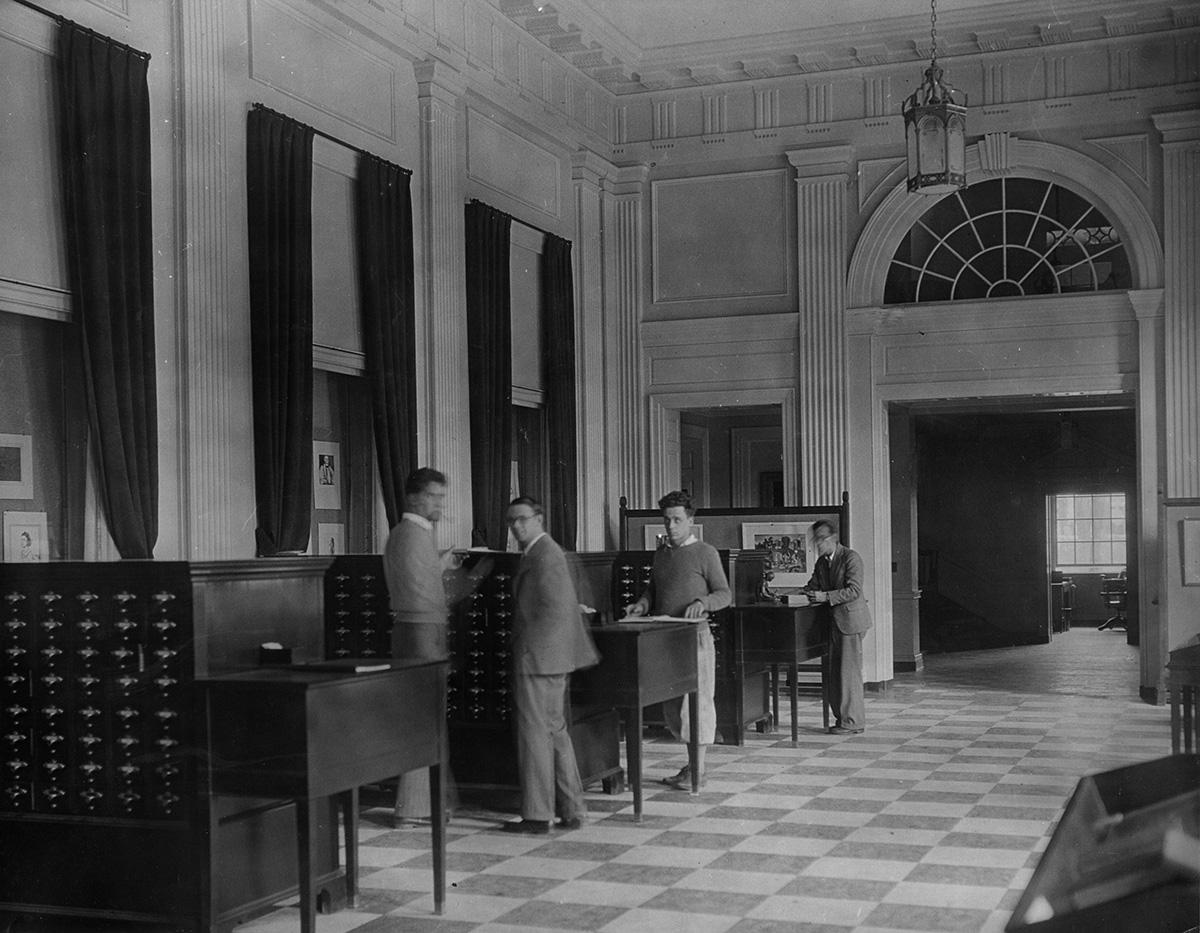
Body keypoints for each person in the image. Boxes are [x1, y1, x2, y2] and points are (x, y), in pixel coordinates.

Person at [502, 496, 599, 834]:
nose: (516, 526)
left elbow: (554, 612)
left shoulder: (545, 554)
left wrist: (529, 654)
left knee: (534, 736)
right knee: (555, 733)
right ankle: (572, 809)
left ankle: (538, 815)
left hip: (538, 660)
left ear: (539, 518)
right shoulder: (544, 552)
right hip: (551, 659)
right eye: (512, 521)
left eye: (523, 519)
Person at [624, 490, 730, 790]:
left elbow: (725, 594)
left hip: (694, 640)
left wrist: (703, 602)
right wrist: (641, 606)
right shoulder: (662, 554)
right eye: (667, 520)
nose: (671, 526)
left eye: (677, 520)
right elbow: (652, 591)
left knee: (696, 707)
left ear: (691, 520)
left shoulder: (705, 553)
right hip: (665, 640)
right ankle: (691, 766)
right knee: (673, 709)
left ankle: (699, 770)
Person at [383, 467, 459, 825]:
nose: (440, 503)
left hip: (414, 630)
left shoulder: (407, 534)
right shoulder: (413, 535)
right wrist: (466, 579)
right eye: (434, 496)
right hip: (422, 633)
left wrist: (439, 565)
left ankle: (425, 805)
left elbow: (417, 580)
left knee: (422, 718)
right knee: (424, 718)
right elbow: (425, 598)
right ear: (415, 497)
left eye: (441, 497)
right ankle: (415, 808)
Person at [803, 519, 872, 735]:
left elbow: (854, 591)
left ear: (831, 539)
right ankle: (843, 719)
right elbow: (811, 586)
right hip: (834, 623)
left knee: (848, 673)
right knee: (837, 673)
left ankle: (853, 722)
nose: (817, 545)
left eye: (820, 540)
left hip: (850, 623)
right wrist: (791, 595)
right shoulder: (822, 563)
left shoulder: (851, 558)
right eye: (815, 540)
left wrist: (825, 596)